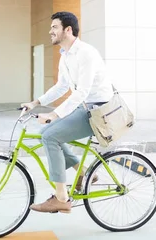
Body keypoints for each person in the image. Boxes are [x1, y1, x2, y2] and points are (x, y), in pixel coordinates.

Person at [21, 11, 114, 214]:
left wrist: (54, 115)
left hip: (99, 112)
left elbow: (83, 91)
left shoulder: (86, 53)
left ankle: (61, 198)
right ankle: (83, 172)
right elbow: (61, 87)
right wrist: (36, 103)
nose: (50, 31)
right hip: (86, 108)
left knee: (51, 136)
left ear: (68, 30)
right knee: (47, 134)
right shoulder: (65, 57)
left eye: (54, 27)